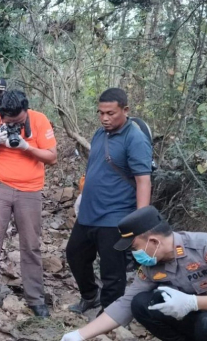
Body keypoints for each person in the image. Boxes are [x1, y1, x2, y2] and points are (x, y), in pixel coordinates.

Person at [60, 206, 207, 341]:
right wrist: (80, 335)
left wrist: (193, 302)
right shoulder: (151, 264)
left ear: (154, 241)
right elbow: (125, 304)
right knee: (141, 303)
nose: (133, 254)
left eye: (134, 247)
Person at [0, 90, 57, 320]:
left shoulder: (39, 119)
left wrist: (26, 147)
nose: (14, 127)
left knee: (30, 246)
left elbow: (52, 156)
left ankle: (35, 299)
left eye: (18, 122)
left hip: (30, 190)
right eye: (9, 123)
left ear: (26, 111)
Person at [66, 87, 152, 314]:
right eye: (101, 113)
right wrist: (83, 194)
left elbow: (143, 180)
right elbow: (95, 167)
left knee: (112, 268)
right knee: (75, 254)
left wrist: (139, 222)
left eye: (110, 113)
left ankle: (111, 313)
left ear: (125, 110)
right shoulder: (99, 134)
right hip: (89, 212)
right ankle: (90, 296)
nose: (104, 118)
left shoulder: (135, 139)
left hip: (115, 214)